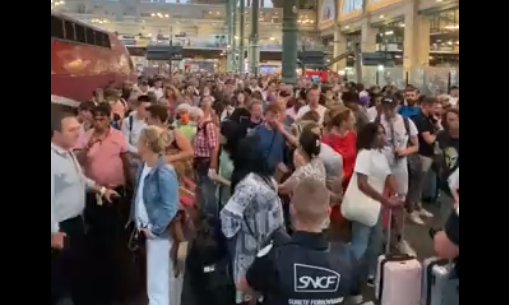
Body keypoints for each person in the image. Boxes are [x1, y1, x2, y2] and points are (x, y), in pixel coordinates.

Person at [239, 178, 357, 305]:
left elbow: (245, 286)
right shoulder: (347, 257)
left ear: (291, 209)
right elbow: (354, 294)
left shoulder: (273, 256)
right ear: (328, 212)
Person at [51, 106, 118, 305]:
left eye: (77, 128)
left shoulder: (67, 153)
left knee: (74, 272)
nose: (78, 132)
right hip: (61, 228)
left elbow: (80, 179)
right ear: (55, 133)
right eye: (71, 130)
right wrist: (53, 232)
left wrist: (101, 190)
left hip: (76, 223)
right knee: (60, 281)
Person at [131, 125, 180, 305]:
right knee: (152, 281)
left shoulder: (164, 170)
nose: (135, 143)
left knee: (159, 283)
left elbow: (170, 206)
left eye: (138, 140)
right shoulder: (144, 166)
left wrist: (154, 229)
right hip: (145, 231)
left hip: (157, 234)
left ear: (146, 143)